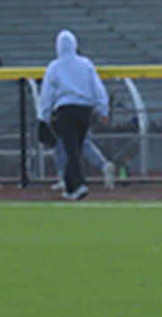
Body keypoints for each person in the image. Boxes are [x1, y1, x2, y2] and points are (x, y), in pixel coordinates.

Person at [36, 28, 109, 199]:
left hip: (65, 112)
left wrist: (43, 116)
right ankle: (70, 189)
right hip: (85, 111)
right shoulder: (86, 64)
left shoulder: (54, 67)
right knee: (75, 148)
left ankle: (79, 185)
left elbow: (47, 95)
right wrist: (103, 110)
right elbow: (98, 88)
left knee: (71, 150)